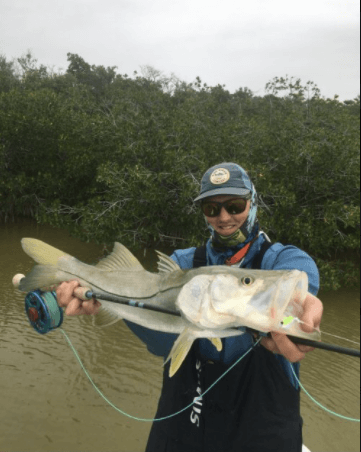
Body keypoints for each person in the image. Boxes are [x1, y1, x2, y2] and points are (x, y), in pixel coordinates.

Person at [56, 162, 323, 452]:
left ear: (252, 203)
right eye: (212, 208)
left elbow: (299, 272)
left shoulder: (275, 259)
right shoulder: (183, 264)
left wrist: (301, 301)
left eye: (234, 205)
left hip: (261, 435)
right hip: (185, 431)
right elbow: (161, 343)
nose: (223, 217)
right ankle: (58, 269)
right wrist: (110, 302)